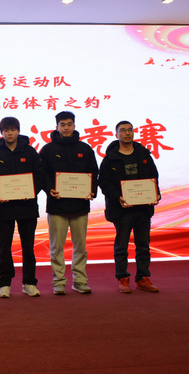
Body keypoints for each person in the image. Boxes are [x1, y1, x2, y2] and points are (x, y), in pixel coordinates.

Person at [39, 111, 98, 295]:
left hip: (80, 206)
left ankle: (80, 281)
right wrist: (49, 189)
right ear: (57, 127)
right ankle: (58, 281)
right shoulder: (48, 150)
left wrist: (92, 190)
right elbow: (41, 174)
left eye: (69, 124)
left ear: (74, 125)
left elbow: (93, 172)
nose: (66, 128)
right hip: (57, 206)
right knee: (56, 247)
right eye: (62, 125)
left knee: (80, 246)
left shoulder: (85, 149)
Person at [98, 120, 161, 294]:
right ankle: (123, 278)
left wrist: (156, 194)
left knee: (143, 245)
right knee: (121, 246)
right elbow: (103, 182)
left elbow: (154, 177)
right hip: (121, 209)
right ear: (116, 134)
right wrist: (117, 196)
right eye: (123, 130)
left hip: (143, 208)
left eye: (130, 130)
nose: (127, 133)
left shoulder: (143, 154)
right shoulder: (110, 158)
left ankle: (143, 278)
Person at [0, 117, 44, 298]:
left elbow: (39, 176)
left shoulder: (30, 152)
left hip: (27, 207)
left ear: (18, 131)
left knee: (28, 247)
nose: (9, 133)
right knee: (4, 247)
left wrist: (31, 191)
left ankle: (29, 282)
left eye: (12, 129)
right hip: (4, 209)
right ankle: (5, 283)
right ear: (1, 132)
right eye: (6, 130)